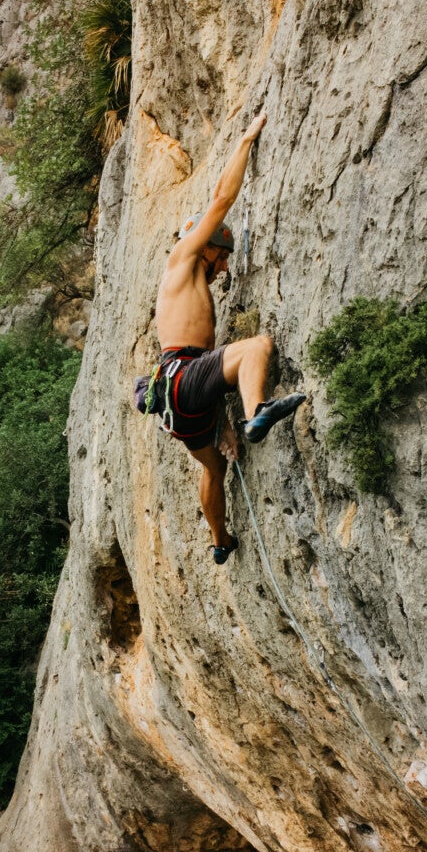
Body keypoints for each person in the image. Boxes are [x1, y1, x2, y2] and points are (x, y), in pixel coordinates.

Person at [138, 112, 305, 564]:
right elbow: (222, 197)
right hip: (181, 374)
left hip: (174, 397)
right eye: (224, 256)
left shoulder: (188, 289)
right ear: (207, 245)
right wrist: (246, 140)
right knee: (257, 347)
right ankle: (258, 413)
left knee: (212, 465)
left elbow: (203, 373)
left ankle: (220, 539)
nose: (225, 267)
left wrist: (221, 425)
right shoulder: (183, 257)